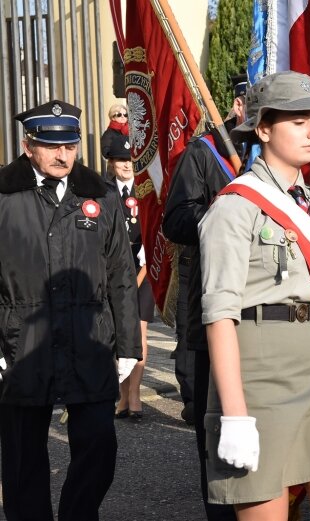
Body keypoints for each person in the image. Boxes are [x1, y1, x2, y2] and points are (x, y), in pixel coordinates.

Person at [199, 70, 310, 520]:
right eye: (298, 120)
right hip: (257, 376)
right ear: (263, 128)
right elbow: (219, 315)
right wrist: (234, 414)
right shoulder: (234, 208)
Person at [0, 100, 141, 521]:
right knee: (23, 456)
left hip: (90, 339)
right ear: (29, 146)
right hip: (21, 340)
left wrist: (129, 345)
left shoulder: (98, 193)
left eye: (71, 145)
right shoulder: (5, 196)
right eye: (51, 145)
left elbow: (120, 271)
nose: (63, 155)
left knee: (99, 446)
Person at [163, 75, 247, 521]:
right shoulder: (205, 151)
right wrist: (229, 212)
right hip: (214, 309)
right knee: (216, 433)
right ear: (239, 104)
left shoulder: (284, 153)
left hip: (269, 321)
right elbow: (175, 220)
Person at [106, 133, 156, 421]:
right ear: (111, 163)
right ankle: (122, 396)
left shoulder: (147, 188)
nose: (127, 165)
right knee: (117, 331)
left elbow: (154, 228)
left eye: (131, 160)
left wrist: (144, 265)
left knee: (138, 330)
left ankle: (135, 396)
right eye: (121, 160)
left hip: (143, 270)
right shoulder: (103, 190)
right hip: (114, 272)